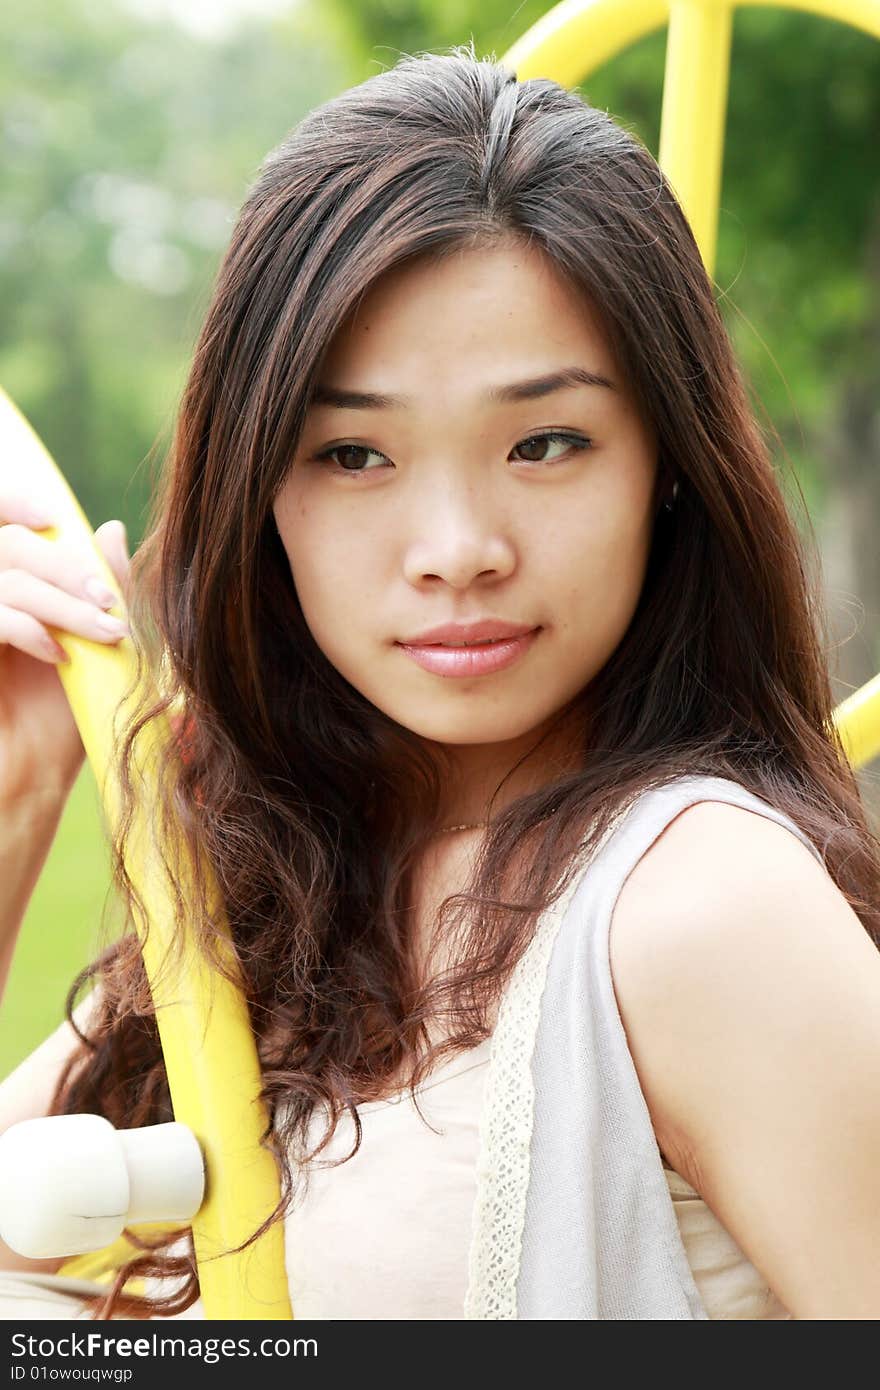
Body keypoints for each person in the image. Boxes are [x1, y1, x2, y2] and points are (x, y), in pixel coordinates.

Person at [1, 41, 879, 1322]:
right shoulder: (281, 888)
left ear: (666, 468)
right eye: (355, 454)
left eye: (545, 442)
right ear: (262, 500)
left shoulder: (698, 912)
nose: (459, 549)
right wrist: (23, 787)